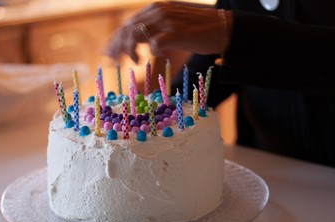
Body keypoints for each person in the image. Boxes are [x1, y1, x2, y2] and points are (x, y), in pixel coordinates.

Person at [106, 1, 335, 167]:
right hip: (266, 167)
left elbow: (234, 35)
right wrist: (156, 112)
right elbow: (211, 68)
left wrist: (235, 32)